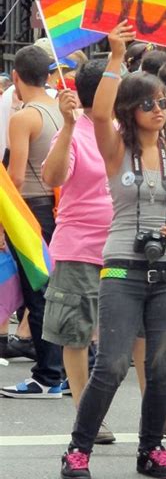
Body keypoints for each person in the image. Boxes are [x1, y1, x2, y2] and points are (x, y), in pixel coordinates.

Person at [60, 21, 166, 479]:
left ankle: (151, 449)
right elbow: (100, 112)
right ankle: (77, 450)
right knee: (113, 362)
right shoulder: (114, 148)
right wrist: (118, 57)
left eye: (164, 101)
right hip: (122, 263)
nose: (159, 109)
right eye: (148, 102)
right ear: (132, 108)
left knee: (164, 365)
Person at [41, 60, 116, 443]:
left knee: (117, 337)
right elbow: (52, 178)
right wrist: (68, 126)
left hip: (122, 251)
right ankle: (85, 414)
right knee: (77, 335)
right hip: (80, 248)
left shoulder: (126, 131)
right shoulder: (74, 131)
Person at [1, 45, 64, 399]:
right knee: (52, 289)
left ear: (16, 77)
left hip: (28, 212)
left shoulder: (24, 118)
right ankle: (59, 371)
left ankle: (47, 374)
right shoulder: (59, 109)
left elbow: (16, 178)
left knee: (36, 292)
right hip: (56, 207)